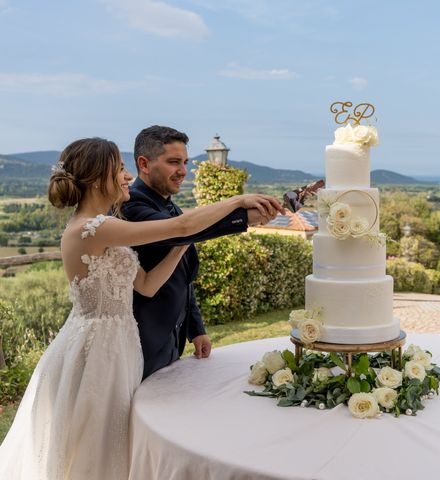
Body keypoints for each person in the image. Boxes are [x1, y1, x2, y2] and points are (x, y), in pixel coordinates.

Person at [0, 137, 282, 479]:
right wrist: (238, 199)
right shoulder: (93, 228)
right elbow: (181, 225)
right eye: (119, 168)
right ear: (95, 178)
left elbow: (147, 284)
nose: (127, 176)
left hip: (121, 344)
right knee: (94, 442)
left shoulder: (106, 226)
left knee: (115, 437)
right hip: (95, 351)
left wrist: (181, 246)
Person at [122, 125, 276, 379]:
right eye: (173, 162)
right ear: (144, 164)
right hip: (142, 344)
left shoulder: (169, 208)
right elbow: (183, 232)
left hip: (171, 341)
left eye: (184, 162)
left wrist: (196, 328)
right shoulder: (133, 206)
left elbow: (183, 277)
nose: (182, 171)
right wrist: (241, 207)